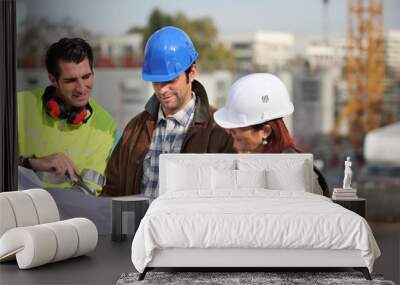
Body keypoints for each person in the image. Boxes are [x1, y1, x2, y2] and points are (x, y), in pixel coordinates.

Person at [101, 26, 234, 197]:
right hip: (139, 224)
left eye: (170, 80)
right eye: (156, 81)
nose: (162, 90)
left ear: (191, 73)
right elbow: (113, 189)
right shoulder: (135, 129)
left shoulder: (219, 130)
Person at [18, 37, 117, 195]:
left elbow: (91, 192)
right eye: (71, 80)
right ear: (53, 79)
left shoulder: (106, 125)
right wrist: (32, 163)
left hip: (71, 215)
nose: (81, 88)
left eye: (86, 77)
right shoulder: (20, 106)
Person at [214, 73, 328, 196]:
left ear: (265, 131)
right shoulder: (250, 165)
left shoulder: (299, 172)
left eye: (237, 131)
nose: (235, 146)